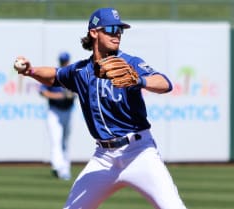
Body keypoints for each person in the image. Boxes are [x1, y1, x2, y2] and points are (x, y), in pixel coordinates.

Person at [14, 7, 187, 209]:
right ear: (94, 32)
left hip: (139, 152)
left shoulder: (129, 63)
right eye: (111, 29)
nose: (117, 34)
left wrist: (139, 80)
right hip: (103, 158)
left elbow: (164, 83)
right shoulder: (80, 71)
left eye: (120, 30)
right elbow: (55, 75)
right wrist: (31, 71)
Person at [39, 52, 75, 180]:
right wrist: (59, 96)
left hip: (68, 110)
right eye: (63, 61)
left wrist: (73, 95)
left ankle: (65, 168)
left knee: (65, 141)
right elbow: (42, 91)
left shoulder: (72, 74)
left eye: (66, 61)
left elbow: (79, 91)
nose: (64, 63)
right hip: (54, 111)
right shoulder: (54, 73)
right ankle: (58, 167)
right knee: (56, 139)